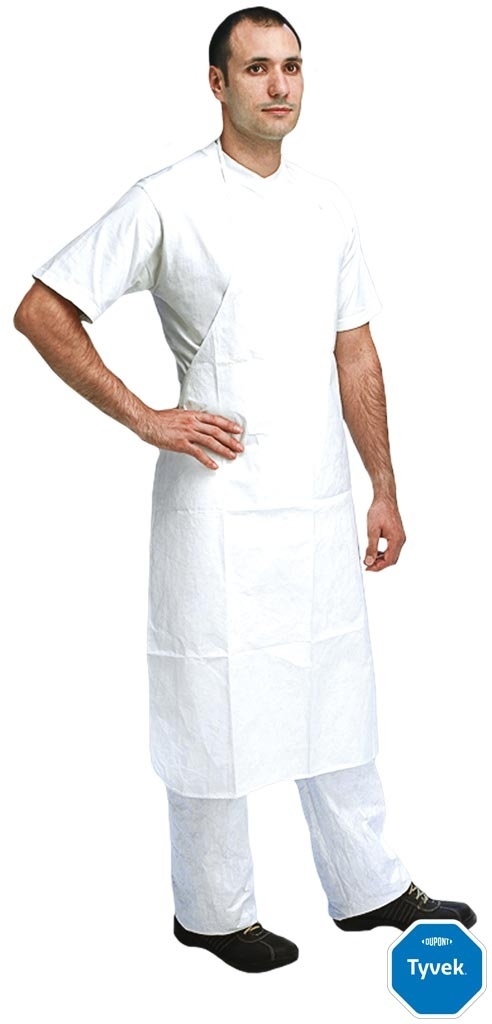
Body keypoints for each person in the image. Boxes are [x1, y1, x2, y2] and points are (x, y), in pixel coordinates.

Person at [14, 7, 476, 974]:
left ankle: (368, 886)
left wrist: (384, 485)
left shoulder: (327, 204)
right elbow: (43, 309)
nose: (279, 85)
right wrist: (146, 417)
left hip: (315, 494)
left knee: (336, 686)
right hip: (215, 499)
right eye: (257, 68)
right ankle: (213, 910)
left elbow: (355, 350)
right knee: (210, 696)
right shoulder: (168, 199)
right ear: (217, 83)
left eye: (293, 67)